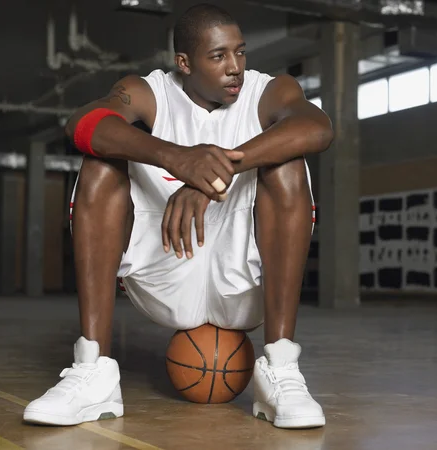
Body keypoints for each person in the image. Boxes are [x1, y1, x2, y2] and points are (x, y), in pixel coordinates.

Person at [23, 3, 333, 430]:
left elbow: (317, 128)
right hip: (167, 264)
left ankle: (280, 368)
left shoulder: (269, 91)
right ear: (184, 63)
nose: (235, 68)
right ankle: (93, 371)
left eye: (240, 53)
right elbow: (81, 124)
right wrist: (179, 159)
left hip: (245, 274)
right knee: (100, 162)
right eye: (219, 56)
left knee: (288, 163)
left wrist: (213, 175)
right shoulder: (150, 92)